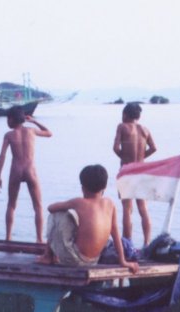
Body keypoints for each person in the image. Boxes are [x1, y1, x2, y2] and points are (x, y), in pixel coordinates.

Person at [37, 164, 137, 272]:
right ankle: (53, 255)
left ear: (83, 187)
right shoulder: (110, 204)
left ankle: (47, 256)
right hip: (94, 260)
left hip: (75, 261)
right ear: (104, 187)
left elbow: (50, 208)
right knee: (75, 220)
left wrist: (69, 207)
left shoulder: (79, 202)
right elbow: (116, 234)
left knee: (57, 214)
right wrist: (123, 261)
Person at [0, 106, 52, 242]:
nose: (7, 122)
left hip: (16, 170)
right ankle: (39, 239)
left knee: (11, 205)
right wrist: (33, 121)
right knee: (38, 206)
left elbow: (2, 155)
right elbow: (49, 133)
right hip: (30, 170)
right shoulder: (31, 131)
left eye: (7, 119)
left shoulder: (9, 135)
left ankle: (8, 237)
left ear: (12, 119)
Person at [113, 102, 157, 247]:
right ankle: (146, 242)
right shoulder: (145, 129)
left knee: (127, 209)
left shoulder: (122, 126)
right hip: (142, 169)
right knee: (143, 208)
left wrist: (124, 158)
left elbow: (115, 147)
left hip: (127, 170)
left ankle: (127, 243)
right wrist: (142, 157)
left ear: (125, 114)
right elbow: (154, 148)